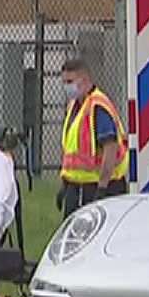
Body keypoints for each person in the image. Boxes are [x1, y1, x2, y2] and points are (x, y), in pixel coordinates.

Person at [58, 57, 125, 216]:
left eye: (70, 82)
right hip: (78, 187)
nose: (67, 87)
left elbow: (110, 149)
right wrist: (66, 185)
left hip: (98, 187)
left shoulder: (97, 107)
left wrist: (102, 188)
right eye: (64, 82)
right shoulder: (75, 105)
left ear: (85, 79)